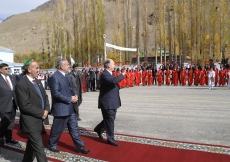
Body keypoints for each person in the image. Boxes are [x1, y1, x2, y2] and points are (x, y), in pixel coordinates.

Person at [48, 59, 90, 154]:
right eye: (67, 65)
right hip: (61, 108)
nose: (69, 66)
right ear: (62, 66)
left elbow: (73, 87)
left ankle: (79, 146)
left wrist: (75, 95)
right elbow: (56, 93)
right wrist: (70, 98)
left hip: (70, 108)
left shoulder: (67, 76)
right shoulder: (55, 77)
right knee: (57, 129)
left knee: (74, 129)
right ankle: (52, 144)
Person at [15, 59, 50, 162]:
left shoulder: (38, 81)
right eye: (37, 68)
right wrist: (41, 113)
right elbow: (25, 105)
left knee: (32, 145)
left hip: (39, 118)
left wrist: (47, 109)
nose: (39, 70)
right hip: (30, 120)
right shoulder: (22, 84)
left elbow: (45, 96)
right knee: (39, 147)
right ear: (29, 69)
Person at [94, 59, 126, 146]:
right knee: (110, 119)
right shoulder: (104, 74)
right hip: (107, 101)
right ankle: (110, 138)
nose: (114, 66)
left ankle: (99, 129)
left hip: (112, 100)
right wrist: (122, 74)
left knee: (109, 119)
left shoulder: (110, 73)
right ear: (108, 65)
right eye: (113, 64)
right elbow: (112, 81)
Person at [0, 63, 18, 145]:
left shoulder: (12, 77)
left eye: (8, 68)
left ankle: (9, 138)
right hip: (3, 105)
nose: (8, 70)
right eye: (6, 69)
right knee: (5, 122)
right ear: (1, 70)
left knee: (11, 122)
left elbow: (14, 90)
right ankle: (0, 137)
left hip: (13, 104)